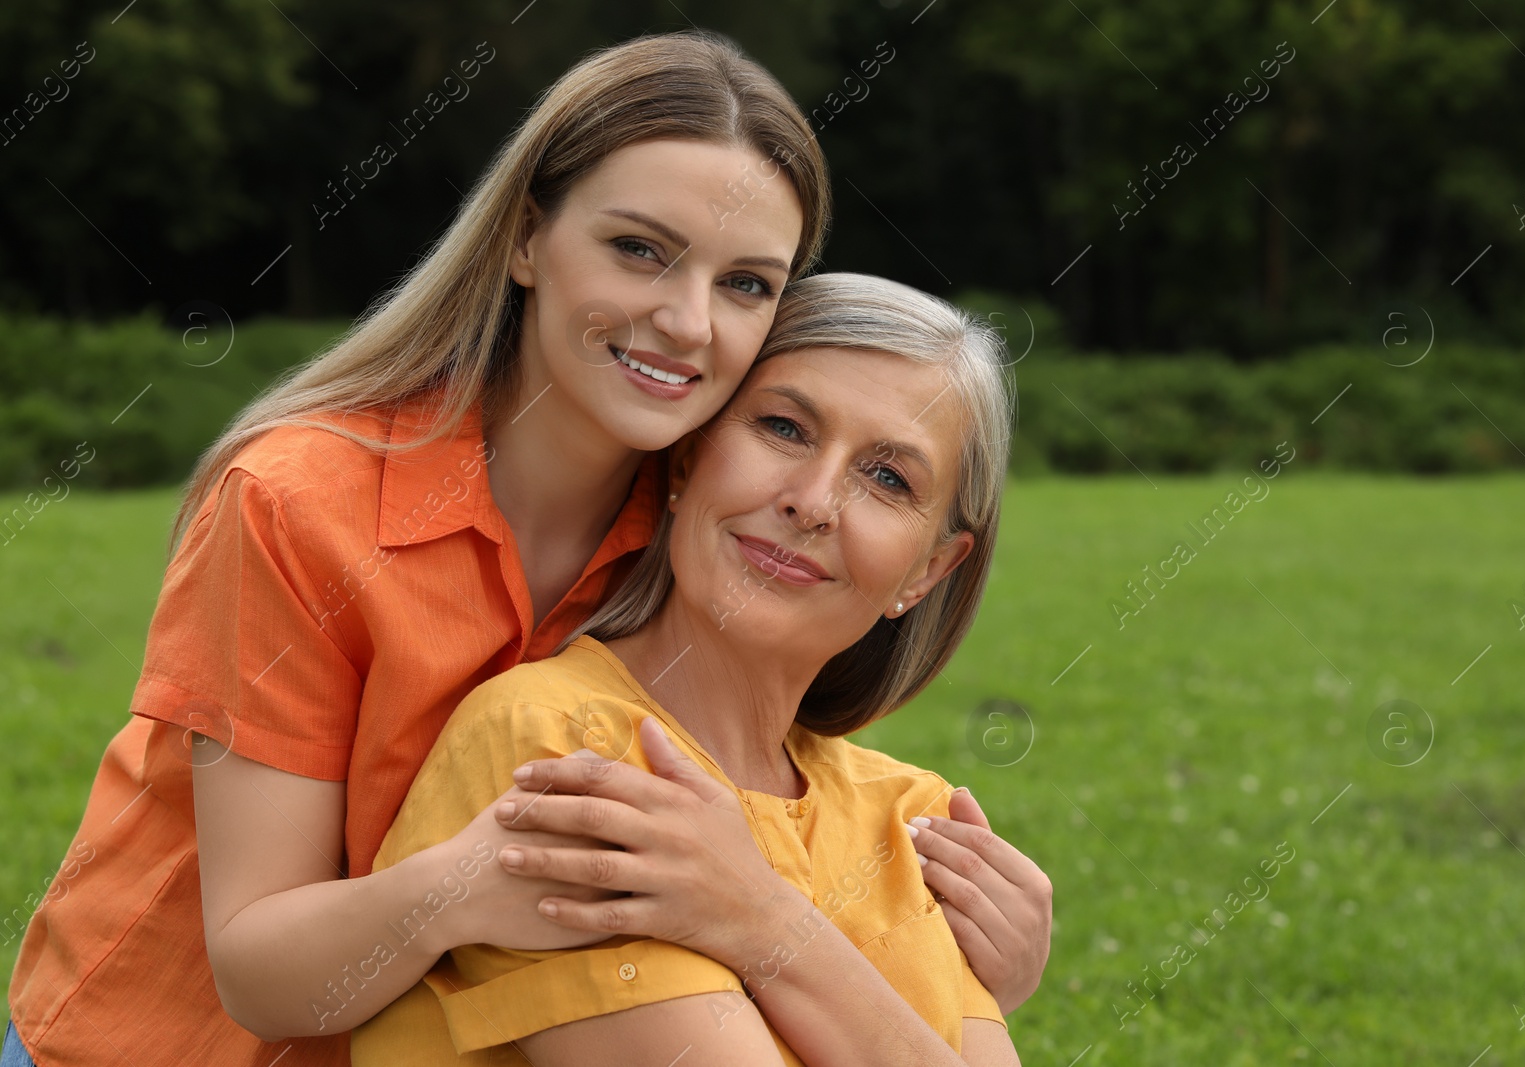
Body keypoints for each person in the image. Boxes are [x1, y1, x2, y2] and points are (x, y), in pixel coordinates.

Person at [3, 32, 1046, 1067]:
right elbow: (256, 964)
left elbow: (752, 836)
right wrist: (461, 885)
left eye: (745, 284)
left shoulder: (709, 516)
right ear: (526, 239)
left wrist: (938, 955)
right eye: (639, 248)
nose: (685, 320)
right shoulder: (300, 502)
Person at [351, 273, 1041, 1066]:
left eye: (888, 478)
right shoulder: (562, 750)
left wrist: (763, 919)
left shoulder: (914, 820)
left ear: (926, 572)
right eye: (784, 427)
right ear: (686, 460)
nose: (814, 500)